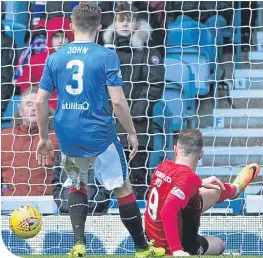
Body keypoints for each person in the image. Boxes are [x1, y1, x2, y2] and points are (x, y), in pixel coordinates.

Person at [35, 2, 165, 258]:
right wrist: (131, 131)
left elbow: (40, 101)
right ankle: (141, 248)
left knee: (77, 184)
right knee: (122, 188)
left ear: (71, 27)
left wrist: (43, 138)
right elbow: (117, 101)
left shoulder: (55, 57)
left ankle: (79, 244)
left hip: (68, 134)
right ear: (99, 26)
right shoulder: (106, 55)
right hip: (100, 133)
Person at [144, 129, 260, 256]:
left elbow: (180, 182)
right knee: (219, 244)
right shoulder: (189, 178)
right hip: (173, 245)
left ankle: (234, 189)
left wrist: (199, 182)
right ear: (201, 155)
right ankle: (235, 189)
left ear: (175, 149)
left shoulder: (163, 166)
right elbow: (168, 211)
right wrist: (176, 250)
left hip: (152, 240)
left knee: (206, 190)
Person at [102, 5, 164, 200]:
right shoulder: (103, 54)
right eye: (121, 19)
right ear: (114, 23)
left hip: (138, 127)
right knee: (107, 180)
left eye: (129, 19)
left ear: (137, 23)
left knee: (137, 178)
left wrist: (132, 115)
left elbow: (154, 87)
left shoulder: (148, 53)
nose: (125, 23)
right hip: (107, 127)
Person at [1, 87, 59, 196]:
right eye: (29, 104)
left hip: (46, 203)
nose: (33, 108)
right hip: (9, 203)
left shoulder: (56, 138)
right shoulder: (4, 137)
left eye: (37, 105)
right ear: (21, 111)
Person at [16, 16, 74, 110]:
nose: (60, 41)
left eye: (64, 36)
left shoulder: (78, 61)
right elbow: (25, 89)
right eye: (56, 36)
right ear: (50, 37)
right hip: (43, 111)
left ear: (70, 38)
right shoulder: (35, 61)